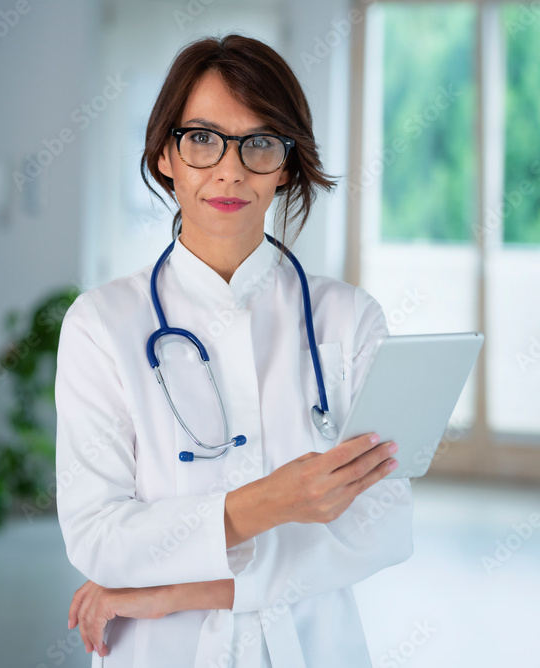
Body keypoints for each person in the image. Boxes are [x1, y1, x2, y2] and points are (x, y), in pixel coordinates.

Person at [55, 34, 413, 668]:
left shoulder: (350, 319)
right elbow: (99, 538)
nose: (230, 170)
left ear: (287, 165)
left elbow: (382, 527)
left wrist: (172, 591)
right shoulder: (101, 325)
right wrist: (269, 503)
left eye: (260, 143)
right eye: (202, 139)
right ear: (165, 154)